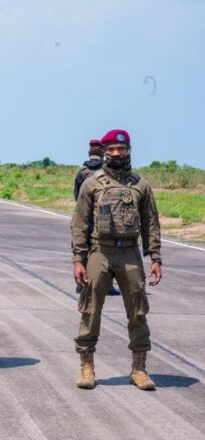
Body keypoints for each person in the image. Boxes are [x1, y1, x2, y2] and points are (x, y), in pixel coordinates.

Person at [71, 128, 162, 391]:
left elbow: (151, 224)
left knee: (138, 312)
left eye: (120, 149)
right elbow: (79, 224)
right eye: (110, 149)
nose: (115, 153)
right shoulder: (92, 183)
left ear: (128, 150)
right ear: (104, 151)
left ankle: (139, 369)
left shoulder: (140, 185)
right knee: (90, 309)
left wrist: (155, 256)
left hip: (130, 254)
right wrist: (78, 258)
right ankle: (86, 366)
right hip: (100, 251)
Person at [74, 139, 120, 296]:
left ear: (89, 152)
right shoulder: (107, 172)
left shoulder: (82, 172)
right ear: (102, 152)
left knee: (83, 249)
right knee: (106, 251)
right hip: (105, 218)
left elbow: (77, 196)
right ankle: (107, 285)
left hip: (86, 216)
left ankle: (82, 283)